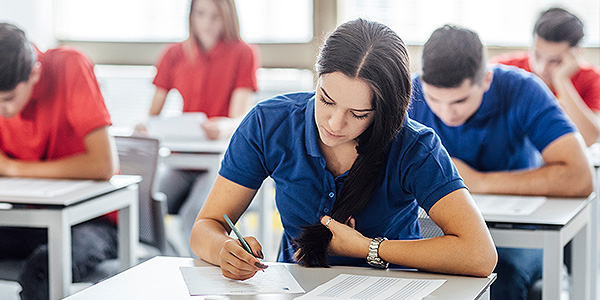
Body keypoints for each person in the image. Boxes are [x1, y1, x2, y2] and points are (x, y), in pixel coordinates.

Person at [190, 18, 497, 281]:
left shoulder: (414, 146)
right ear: (316, 77)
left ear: (384, 111)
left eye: (358, 113)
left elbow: (480, 254)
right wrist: (221, 250)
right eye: (326, 99)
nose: (335, 124)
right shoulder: (269, 124)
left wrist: (367, 247)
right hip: (297, 287)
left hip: (393, 287)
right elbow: (206, 226)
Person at [408, 25, 594, 300]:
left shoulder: (523, 89)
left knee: (498, 277)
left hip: (520, 235)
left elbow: (580, 177)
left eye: (459, 100)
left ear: (485, 80)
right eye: (435, 100)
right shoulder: (411, 93)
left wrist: (480, 182)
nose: (446, 113)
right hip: (438, 230)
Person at [0, 23, 119, 300]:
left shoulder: (69, 66)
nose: (1, 110)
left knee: (43, 269)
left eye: (7, 99)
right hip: (27, 218)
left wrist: (14, 168)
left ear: (34, 72)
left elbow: (104, 165)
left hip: (91, 221)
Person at [140, 0, 259, 233]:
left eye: (216, 16)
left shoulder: (244, 53)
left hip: (222, 160)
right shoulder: (173, 54)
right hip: (183, 160)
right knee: (147, 207)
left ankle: (197, 266)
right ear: (191, 16)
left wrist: (223, 128)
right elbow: (153, 115)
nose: (207, 23)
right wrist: (146, 128)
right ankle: (168, 260)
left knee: (195, 216)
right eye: (201, 14)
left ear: (227, 17)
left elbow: (238, 119)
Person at [491, 7, 600, 146]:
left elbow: (589, 138)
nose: (541, 68)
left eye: (554, 61)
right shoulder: (504, 68)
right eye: (537, 55)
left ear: (576, 54)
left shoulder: (591, 78)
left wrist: (561, 80)